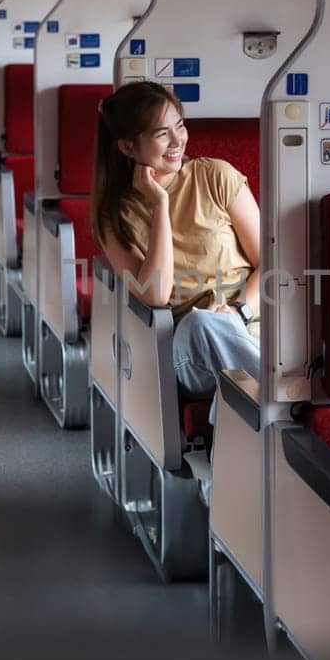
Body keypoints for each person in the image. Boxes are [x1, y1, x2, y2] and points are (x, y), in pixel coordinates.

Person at [91, 81, 261, 424]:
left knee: (235, 376)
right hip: (186, 343)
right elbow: (155, 295)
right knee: (203, 324)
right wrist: (160, 206)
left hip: (251, 326)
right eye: (161, 134)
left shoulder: (216, 175)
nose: (178, 141)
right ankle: (278, 406)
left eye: (179, 126)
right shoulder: (114, 215)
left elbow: (272, 263)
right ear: (128, 146)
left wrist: (238, 312)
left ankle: (239, 433)